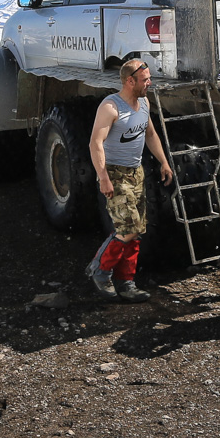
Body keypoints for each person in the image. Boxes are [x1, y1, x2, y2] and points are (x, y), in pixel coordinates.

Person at [86, 58, 174, 302]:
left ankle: (126, 282)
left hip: (136, 173)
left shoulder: (144, 102)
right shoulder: (110, 107)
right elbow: (95, 143)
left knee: (137, 231)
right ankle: (100, 271)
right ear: (129, 81)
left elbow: (150, 134)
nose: (150, 83)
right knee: (128, 227)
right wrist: (103, 177)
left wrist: (164, 162)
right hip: (115, 173)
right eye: (145, 80)